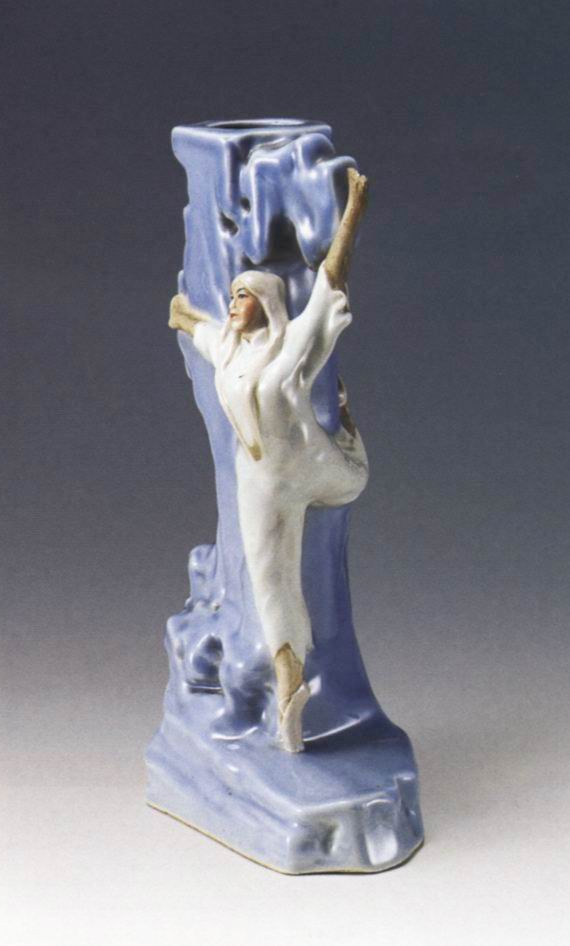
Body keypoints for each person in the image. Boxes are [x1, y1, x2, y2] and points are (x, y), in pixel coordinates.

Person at [169, 169, 369, 752]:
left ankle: (349, 427)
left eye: (244, 295)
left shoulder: (292, 350)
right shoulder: (228, 351)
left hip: (311, 465)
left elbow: (330, 281)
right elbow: (194, 323)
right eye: (232, 295)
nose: (234, 304)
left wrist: (353, 209)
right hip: (259, 484)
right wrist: (179, 307)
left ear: (268, 303)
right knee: (272, 585)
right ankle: (289, 698)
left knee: (356, 478)